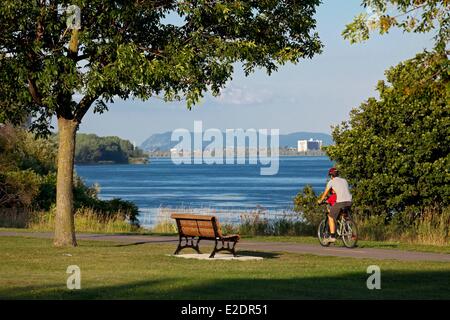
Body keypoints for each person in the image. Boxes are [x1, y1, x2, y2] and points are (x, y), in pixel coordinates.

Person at [317, 167, 352, 243]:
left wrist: (320, 200)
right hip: (349, 201)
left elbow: (325, 193)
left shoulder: (331, 182)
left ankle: (332, 237)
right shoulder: (344, 180)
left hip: (340, 202)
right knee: (342, 215)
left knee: (330, 216)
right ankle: (345, 228)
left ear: (331, 175)